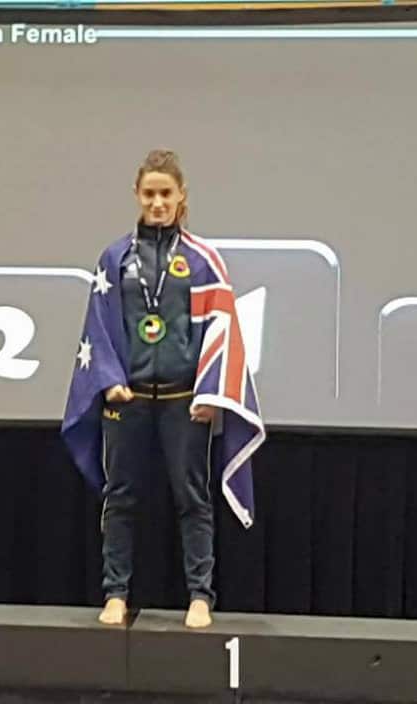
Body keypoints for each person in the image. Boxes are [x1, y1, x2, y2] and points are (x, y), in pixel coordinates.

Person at [62, 150, 265, 628]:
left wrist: (210, 395)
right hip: (127, 399)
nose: (157, 203)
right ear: (137, 195)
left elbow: (222, 330)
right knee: (121, 497)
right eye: (149, 193)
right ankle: (115, 593)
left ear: (181, 198)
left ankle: (200, 596)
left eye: (166, 194)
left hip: (183, 400)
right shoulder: (115, 258)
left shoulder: (201, 260)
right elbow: (99, 325)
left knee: (192, 499)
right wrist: (108, 382)